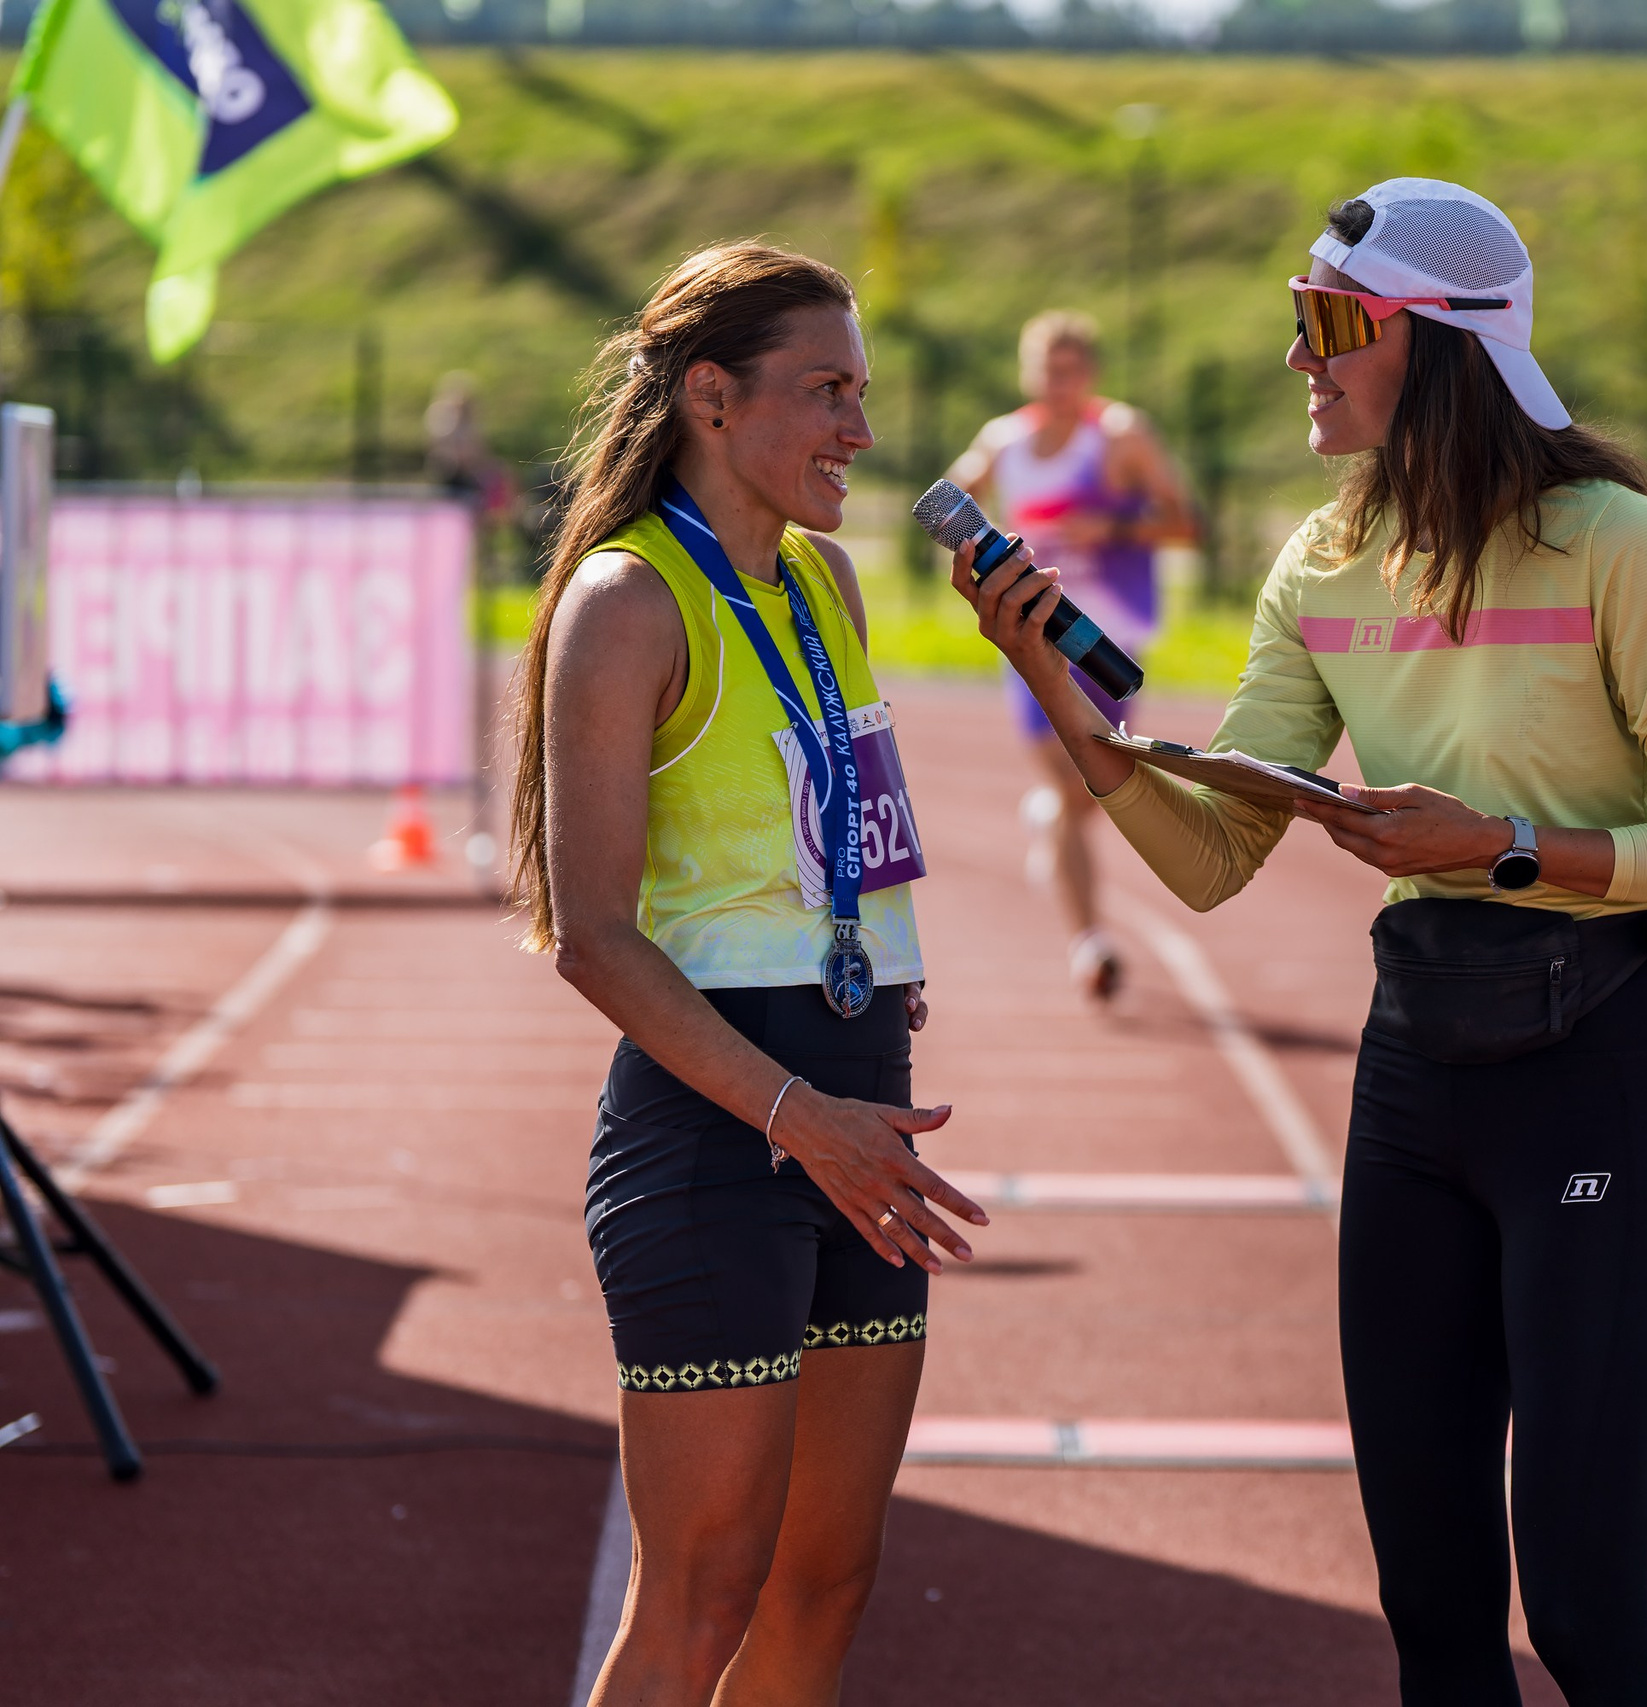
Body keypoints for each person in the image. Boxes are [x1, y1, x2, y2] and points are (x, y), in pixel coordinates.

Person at [953, 179, 1647, 1706]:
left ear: (1438, 343)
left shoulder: (1610, 540)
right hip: (1415, 1085)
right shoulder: (1320, 564)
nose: (1297, 361)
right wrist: (1063, 693)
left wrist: (1497, 845)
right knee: (1438, 1625)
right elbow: (1209, 859)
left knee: (1586, 1617)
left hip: (1591, 1059)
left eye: (1327, 325)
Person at [510, 241, 987, 1707]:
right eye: (824, 390)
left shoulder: (827, 581)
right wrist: (797, 1113)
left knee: (825, 1579)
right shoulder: (628, 601)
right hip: (724, 1131)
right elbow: (592, 930)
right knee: (702, 1589)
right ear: (711, 396)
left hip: (862, 1114)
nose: (857, 426)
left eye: (862, 390)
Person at [945, 310, 1193, 1001]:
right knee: (1068, 778)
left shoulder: (1120, 436)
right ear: (1028, 371)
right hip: (1032, 634)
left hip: (1107, 641)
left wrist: (1111, 523)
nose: (1057, 382)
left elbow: (1184, 520)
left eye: (1070, 369)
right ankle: (1091, 942)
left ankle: (1050, 825)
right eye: (1045, 369)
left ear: (1090, 374)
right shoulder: (1005, 441)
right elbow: (954, 495)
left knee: (1095, 783)